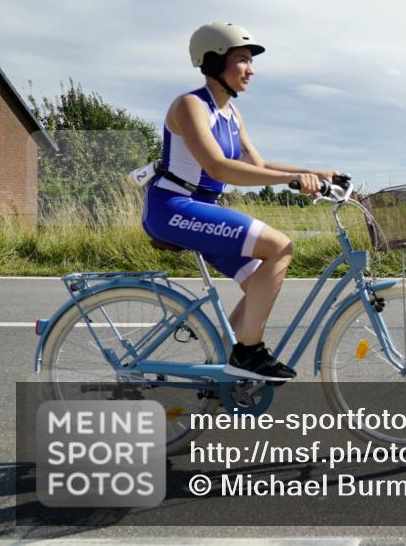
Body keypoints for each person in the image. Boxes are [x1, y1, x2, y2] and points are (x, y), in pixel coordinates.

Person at [141, 22, 336, 381]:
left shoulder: (231, 114)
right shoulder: (190, 105)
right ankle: (248, 354)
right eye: (243, 60)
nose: (251, 69)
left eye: (250, 61)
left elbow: (257, 166)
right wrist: (292, 180)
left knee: (261, 280)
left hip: (200, 208)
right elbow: (219, 167)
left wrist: (313, 173)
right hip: (173, 207)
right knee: (280, 246)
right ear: (214, 62)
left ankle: (224, 366)